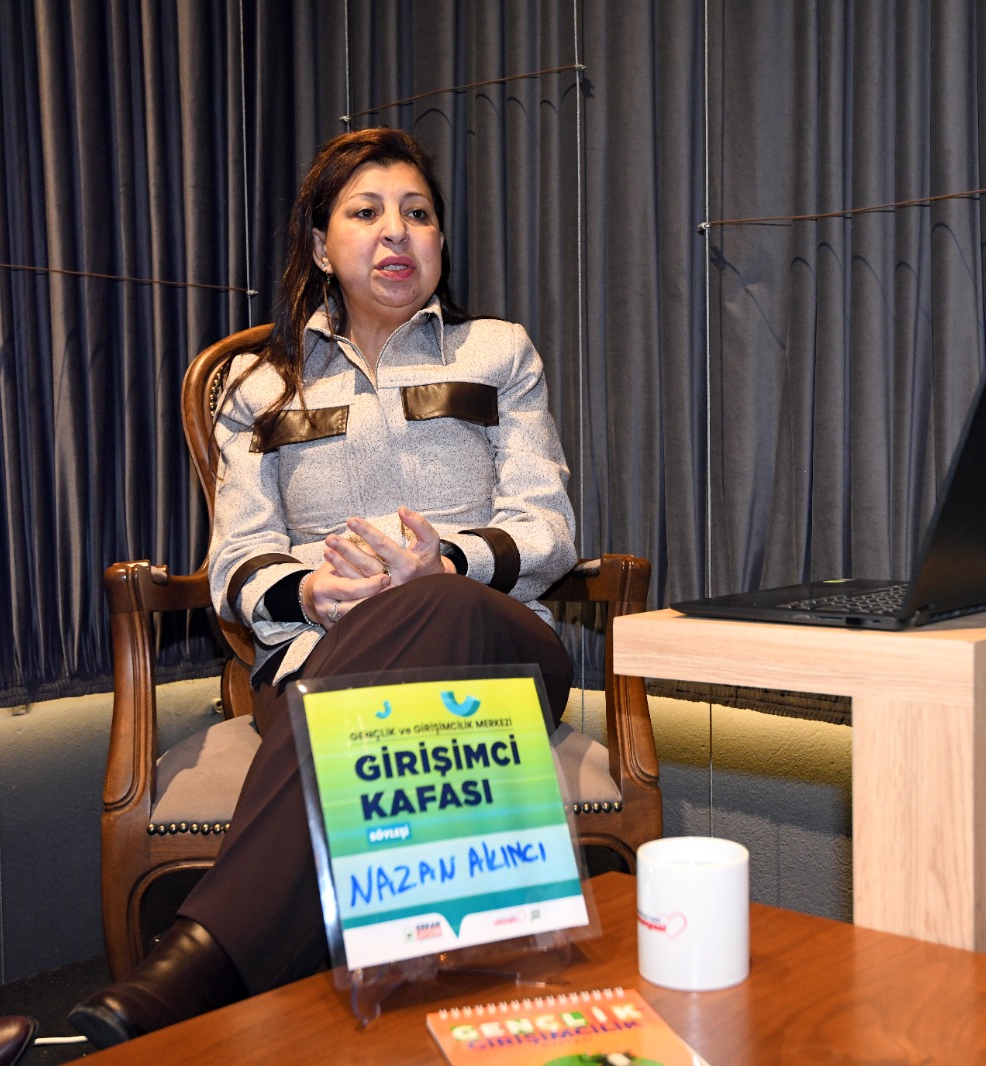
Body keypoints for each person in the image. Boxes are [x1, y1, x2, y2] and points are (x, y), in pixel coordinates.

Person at [69, 127, 577, 1047]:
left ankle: (199, 967)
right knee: (373, 663)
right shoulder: (260, 383)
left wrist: (444, 565)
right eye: (366, 212)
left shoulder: (498, 352)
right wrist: (309, 596)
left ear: (440, 239)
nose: (396, 233)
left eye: (417, 214)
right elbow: (237, 559)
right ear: (319, 245)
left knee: (431, 602)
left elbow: (547, 528)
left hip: (499, 649)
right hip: (317, 653)